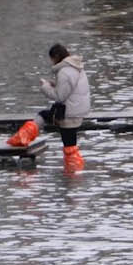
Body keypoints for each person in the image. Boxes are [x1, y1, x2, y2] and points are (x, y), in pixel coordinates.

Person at [40, 43, 91, 173]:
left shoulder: (64, 72)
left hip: (69, 113)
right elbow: (72, 88)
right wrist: (55, 84)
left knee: (68, 144)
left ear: (56, 57)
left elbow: (60, 97)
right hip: (78, 110)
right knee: (71, 145)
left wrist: (46, 87)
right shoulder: (77, 67)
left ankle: (72, 173)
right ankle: (73, 170)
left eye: (51, 58)